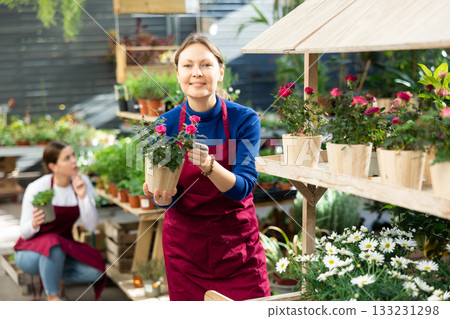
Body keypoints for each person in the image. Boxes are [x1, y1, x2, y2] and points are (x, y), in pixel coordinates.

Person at [143, 33, 271, 301]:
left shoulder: (244, 120)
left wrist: (210, 165)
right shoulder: (164, 125)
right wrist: (161, 197)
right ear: (177, 74)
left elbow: (244, 188)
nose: (196, 73)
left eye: (206, 64)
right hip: (186, 252)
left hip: (238, 249)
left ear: (220, 72)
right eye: (187, 65)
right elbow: (165, 193)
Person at [14, 141, 105, 301]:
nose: (74, 160)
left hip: (64, 248)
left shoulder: (82, 182)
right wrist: (34, 224)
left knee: (96, 270)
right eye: (67, 158)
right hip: (29, 252)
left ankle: (53, 274)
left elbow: (91, 226)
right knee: (53, 243)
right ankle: (53, 297)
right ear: (53, 167)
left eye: (73, 155)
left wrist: (83, 197)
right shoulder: (38, 188)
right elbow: (24, 233)